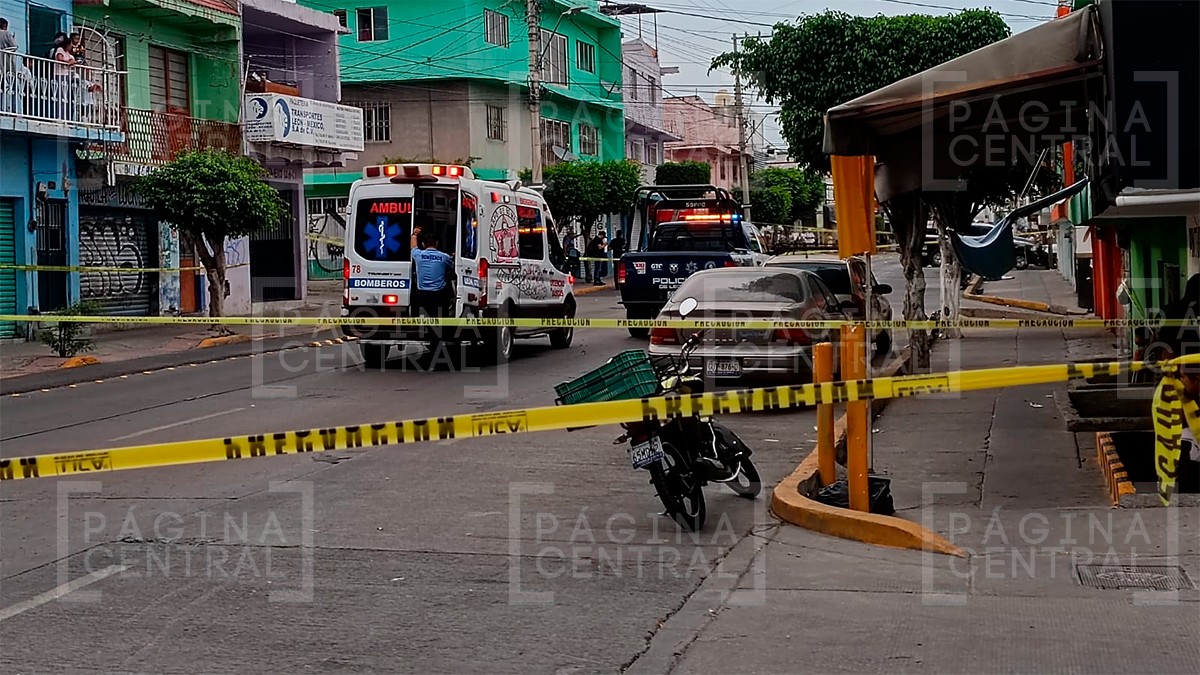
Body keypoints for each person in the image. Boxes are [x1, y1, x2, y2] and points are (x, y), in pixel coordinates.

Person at [412, 231, 455, 340]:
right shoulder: (444, 257)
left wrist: (414, 234)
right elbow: (452, 269)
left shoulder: (418, 255)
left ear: (423, 244)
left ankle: (428, 330)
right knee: (441, 317)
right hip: (439, 295)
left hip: (423, 295)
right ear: (436, 244)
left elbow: (413, 246)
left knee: (427, 316)